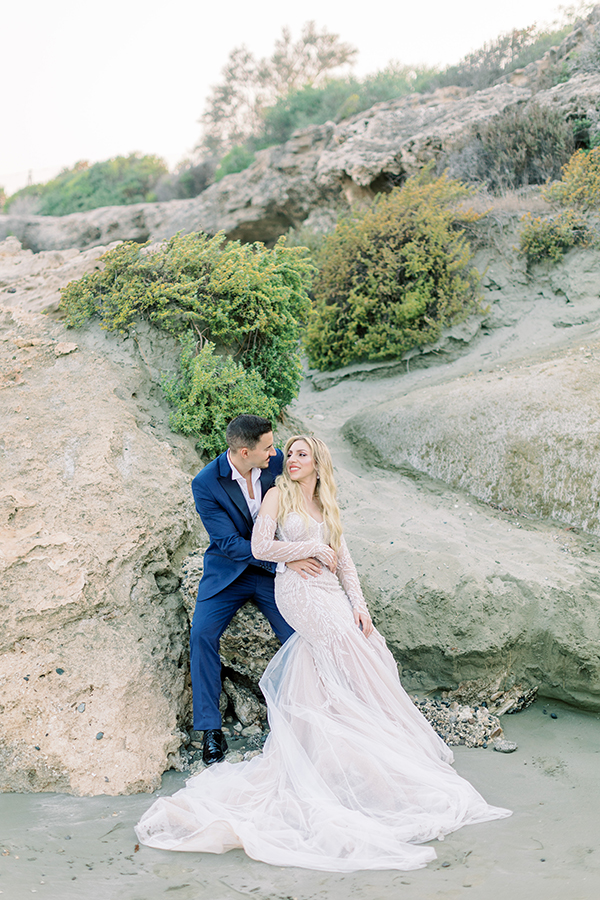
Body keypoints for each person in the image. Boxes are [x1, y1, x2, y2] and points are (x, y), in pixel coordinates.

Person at [136, 435, 511, 872]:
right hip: (296, 589)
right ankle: (225, 731)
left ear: (317, 464)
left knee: (363, 642)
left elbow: (345, 560)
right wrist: (307, 549)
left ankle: (352, 743)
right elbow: (259, 547)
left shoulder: (327, 502)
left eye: (299, 454)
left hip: (330, 591)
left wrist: (360, 606)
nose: (288, 459)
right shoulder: (278, 494)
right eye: (286, 453)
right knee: (334, 646)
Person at [188, 414, 317, 766]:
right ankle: (211, 730)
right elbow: (228, 543)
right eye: (269, 447)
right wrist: (286, 559)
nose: (277, 452)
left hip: (274, 572)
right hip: (230, 571)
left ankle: (304, 720)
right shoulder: (206, 483)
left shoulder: (276, 463)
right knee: (201, 634)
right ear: (245, 452)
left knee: (297, 636)